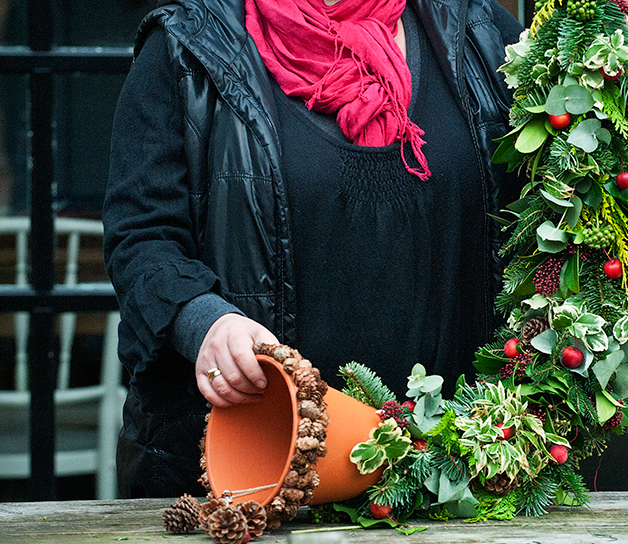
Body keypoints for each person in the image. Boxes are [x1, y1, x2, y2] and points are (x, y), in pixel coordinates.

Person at [104, 0, 523, 498]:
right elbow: (142, 238)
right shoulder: (186, 43)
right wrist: (206, 322)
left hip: (456, 481)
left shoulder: (477, 29)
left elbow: (566, 195)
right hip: (251, 481)